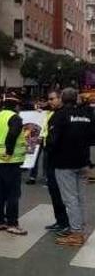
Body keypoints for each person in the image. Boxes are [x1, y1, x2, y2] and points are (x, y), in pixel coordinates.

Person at [49, 87, 95, 246]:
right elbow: (92, 138)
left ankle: (76, 233)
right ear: (76, 98)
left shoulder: (59, 115)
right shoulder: (87, 115)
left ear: (62, 98)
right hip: (82, 161)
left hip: (64, 163)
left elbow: (52, 141)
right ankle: (80, 229)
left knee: (70, 199)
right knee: (80, 198)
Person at [0, 94, 27, 235]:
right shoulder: (15, 118)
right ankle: (12, 223)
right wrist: (9, 151)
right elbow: (13, 134)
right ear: (16, 106)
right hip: (11, 160)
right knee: (13, 194)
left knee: (0, 192)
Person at [40, 91, 69, 233]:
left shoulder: (60, 115)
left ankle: (64, 222)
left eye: (52, 99)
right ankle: (60, 221)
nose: (50, 101)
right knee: (54, 192)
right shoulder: (54, 114)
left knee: (58, 192)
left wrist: (47, 145)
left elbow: (55, 138)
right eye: (49, 99)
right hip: (52, 156)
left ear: (60, 99)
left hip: (57, 158)